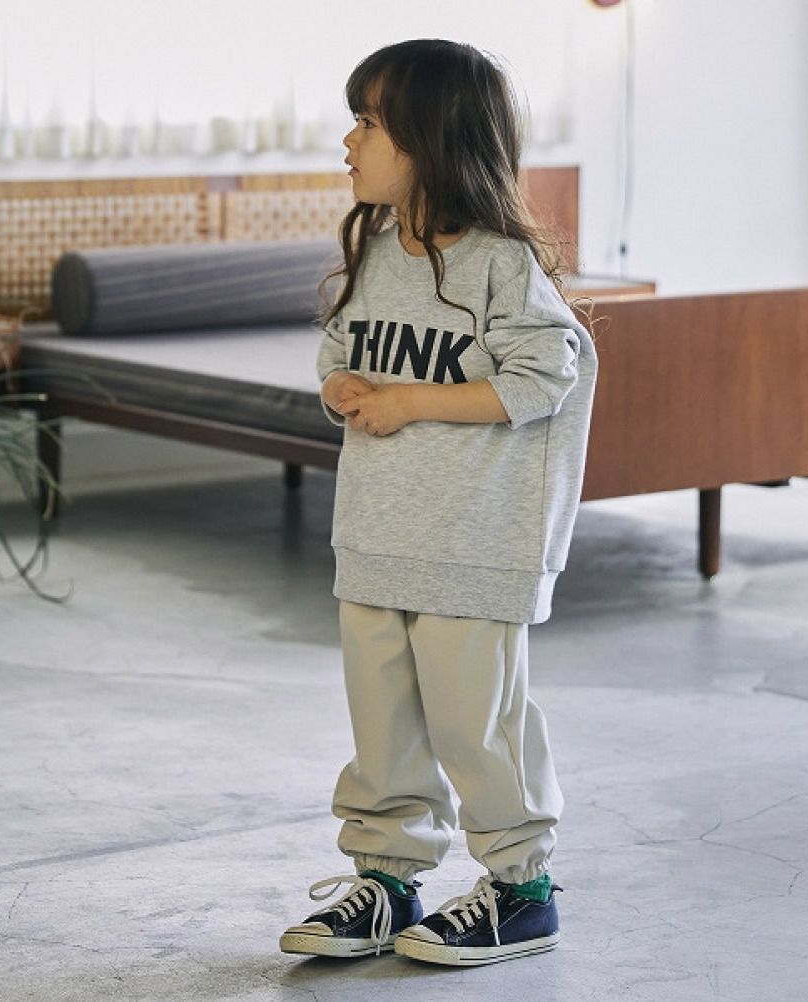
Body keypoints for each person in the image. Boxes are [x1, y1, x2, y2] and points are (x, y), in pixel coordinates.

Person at [279, 38, 597, 967]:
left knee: (476, 724)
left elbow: (544, 376)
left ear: (432, 139)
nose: (348, 141)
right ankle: (387, 879)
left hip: (474, 543)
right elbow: (340, 353)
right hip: (376, 536)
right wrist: (340, 387)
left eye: (368, 122)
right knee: (383, 727)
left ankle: (521, 891)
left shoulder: (501, 264)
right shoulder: (375, 249)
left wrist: (412, 401)